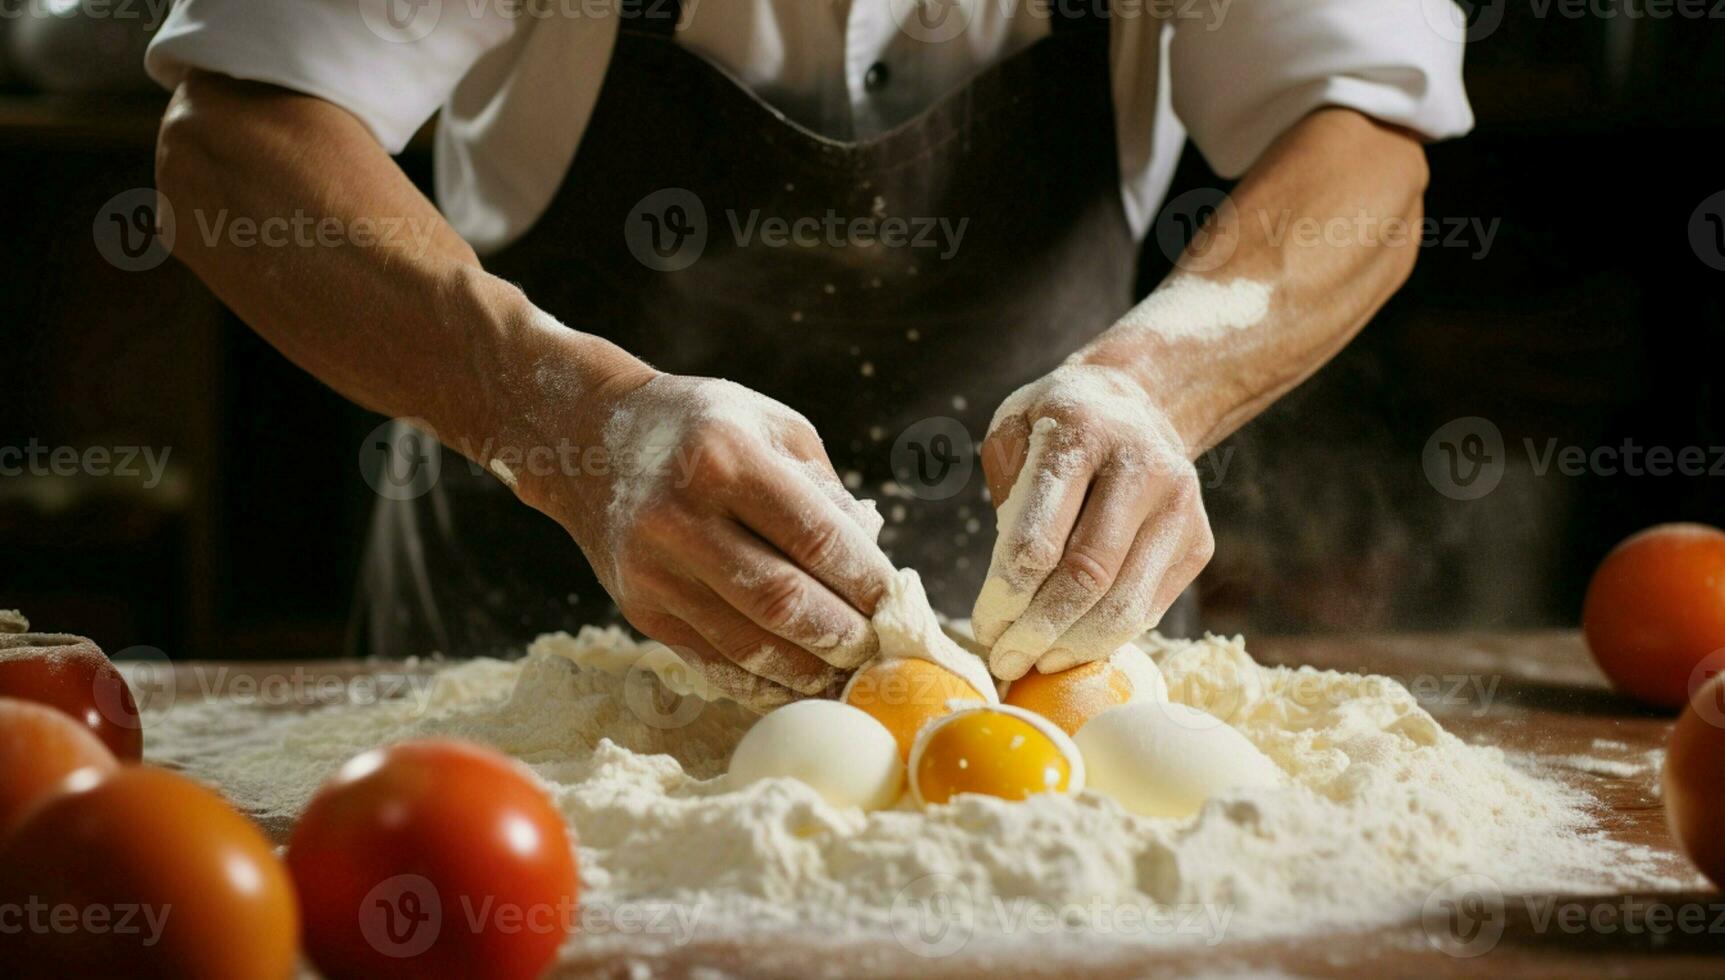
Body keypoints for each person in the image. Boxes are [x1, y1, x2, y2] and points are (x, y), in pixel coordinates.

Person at [147, 0, 1469, 708]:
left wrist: (1153, 390)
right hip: (533, 620)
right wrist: (572, 426)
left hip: (1041, 654)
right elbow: (233, 142)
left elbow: (1361, 147)